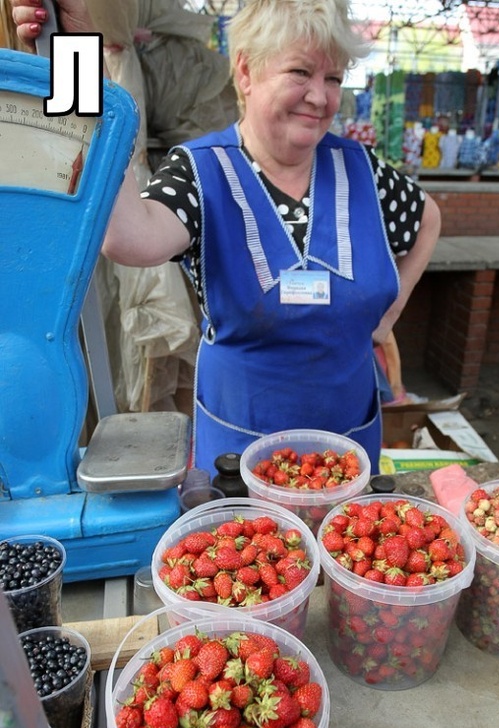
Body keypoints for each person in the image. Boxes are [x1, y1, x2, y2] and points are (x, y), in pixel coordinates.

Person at [11, 0, 441, 476]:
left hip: (347, 448)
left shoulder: (364, 172)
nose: (320, 97)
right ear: (246, 71)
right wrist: (74, 54)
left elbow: (429, 219)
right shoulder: (199, 172)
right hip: (240, 454)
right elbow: (126, 239)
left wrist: (390, 314)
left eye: (333, 78)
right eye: (300, 72)